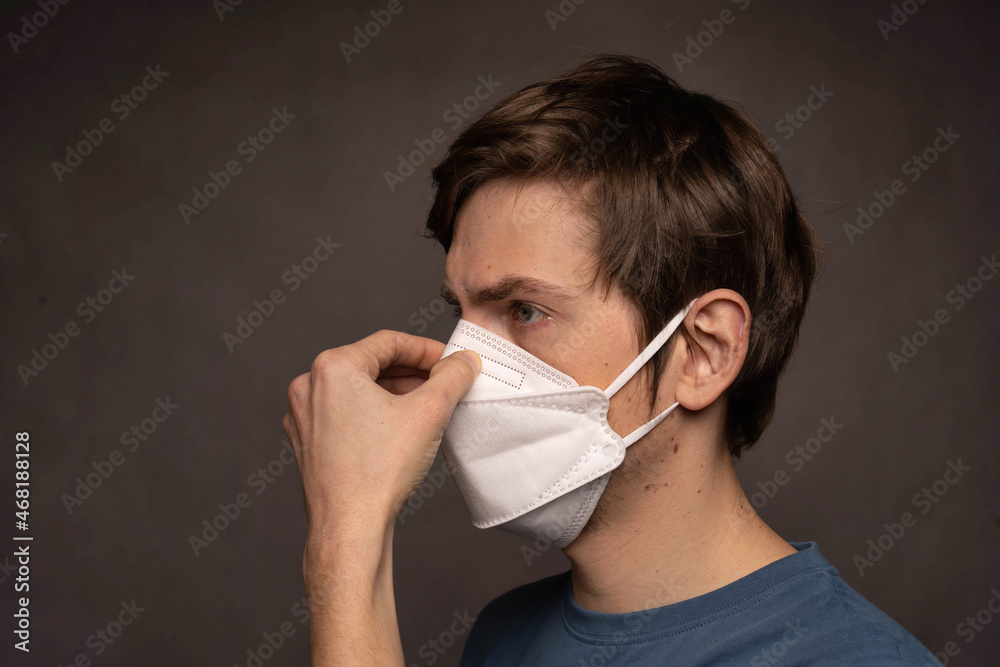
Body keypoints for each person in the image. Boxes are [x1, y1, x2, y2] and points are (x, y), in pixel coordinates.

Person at [282, 54, 942, 665]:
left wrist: (345, 535)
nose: (462, 364)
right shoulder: (503, 636)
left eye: (523, 309)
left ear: (702, 353)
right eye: (462, 313)